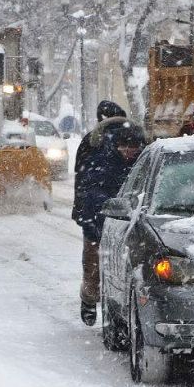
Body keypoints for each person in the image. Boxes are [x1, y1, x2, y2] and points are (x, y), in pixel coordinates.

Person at [75, 124, 145, 326]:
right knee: (93, 271)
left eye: (133, 146)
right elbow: (92, 196)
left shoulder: (141, 163)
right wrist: (103, 219)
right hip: (98, 226)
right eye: (124, 146)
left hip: (129, 228)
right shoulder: (101, 163)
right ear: (116, 146)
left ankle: (116, 313)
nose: (128, 151)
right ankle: (88, 300)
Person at [71, 100, 128, 223]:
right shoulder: (133, 136)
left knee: (95, 239)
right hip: (128, 210)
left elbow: (81, 174)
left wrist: (79, 209)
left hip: (95, 208)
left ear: (100, 118)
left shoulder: (92, 139)